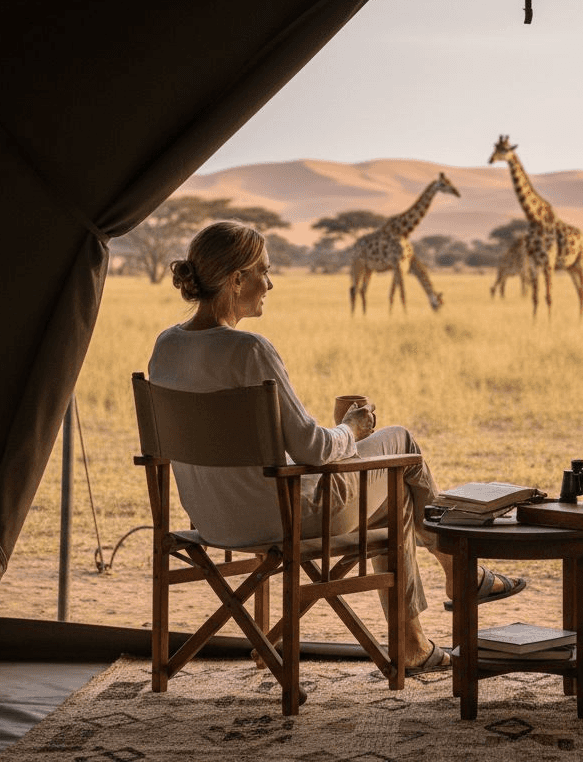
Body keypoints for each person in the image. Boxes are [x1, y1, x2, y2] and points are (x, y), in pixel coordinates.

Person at [147, 220, 525, 677]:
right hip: (285, 518)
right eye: (264, 271)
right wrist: (352, 427)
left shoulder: (165, 346)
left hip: (210, 519)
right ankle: (454, 577)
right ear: (236, 280)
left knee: (394, 500)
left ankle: (418, 637)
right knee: (400, 446)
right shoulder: (249, 349)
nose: (271, 283)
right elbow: (312, 448)